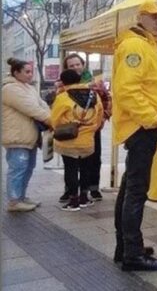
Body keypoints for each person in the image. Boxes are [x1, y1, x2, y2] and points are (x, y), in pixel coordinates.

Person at [112, 0, 157, 271]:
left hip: (141, 127)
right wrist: (150, 120)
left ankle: (126, 246)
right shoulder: (135, 45)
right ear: (141, 17)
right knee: (136, 191)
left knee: (130, 188)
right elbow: (127, 90)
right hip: (141, 128)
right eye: (154, 17)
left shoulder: (144, 43)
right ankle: (133, 254)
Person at [57, 53, 112, 203]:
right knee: (71, 162)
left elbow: (107, 101)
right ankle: (71, 190)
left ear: (83, 65)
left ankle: (91, 189)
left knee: (93, 160)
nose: (75, 68)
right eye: (71, 66)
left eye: (77, 64)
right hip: (69, 129)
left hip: (92, 128)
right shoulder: (62, 86)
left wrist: (102, 119)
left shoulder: (96, 84)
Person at [2, 58, 51, 212]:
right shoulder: (10, 88)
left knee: (28, 168)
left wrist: (49, 115)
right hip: (17, 137)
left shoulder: (28, 88)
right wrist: (51, 120)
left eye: (32, 71)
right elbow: (32, 109)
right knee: (18, 169)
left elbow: (42, 105)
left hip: (29, 136)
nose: (31, 75)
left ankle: (21, 196)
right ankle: (14, 201)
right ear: (16, 73)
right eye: (27, 72)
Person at [51, 69, 103, 211]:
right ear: (79, 80)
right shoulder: (94, 95)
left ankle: (73, 201)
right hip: (87, 140)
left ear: (63, 82)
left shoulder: (63, 97)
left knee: (71, 169)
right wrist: (90, 130)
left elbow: (55, 120)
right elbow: (99, 117)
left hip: (69, 140)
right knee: (86, 168)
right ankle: (84, 198)